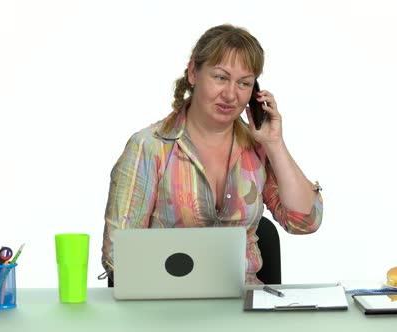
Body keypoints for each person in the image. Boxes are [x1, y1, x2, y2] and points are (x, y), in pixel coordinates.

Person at [101, 24, 323, 285]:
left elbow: (305, 222)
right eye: (220, 77)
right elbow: (120, 252)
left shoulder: (258, 147)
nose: (230, 94)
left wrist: (274, 143)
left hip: (245, 305)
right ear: (194, 72)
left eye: (244, 83)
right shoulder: (149, 147)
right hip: (167, 304)